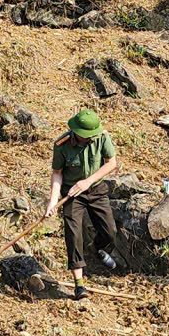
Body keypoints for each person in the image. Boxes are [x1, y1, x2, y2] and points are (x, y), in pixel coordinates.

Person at [46, 109, 120, 301]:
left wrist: (88, 181)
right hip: (72, 194)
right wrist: (53, 202)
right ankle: (79, 285)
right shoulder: (61, 145)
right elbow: (57, 174)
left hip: (95, 189)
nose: (89, 139)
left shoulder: (102, 137)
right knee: (73, 234)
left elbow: (111, 163)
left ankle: (97, 248)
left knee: (110, 231)